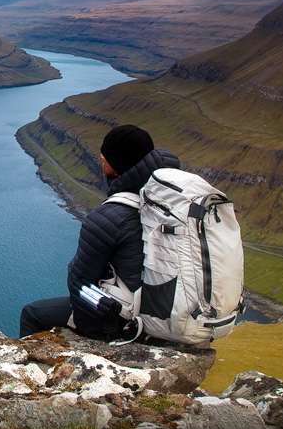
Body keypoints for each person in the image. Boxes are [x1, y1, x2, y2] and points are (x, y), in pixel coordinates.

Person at [19, 124, 180, 340]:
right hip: (174, 308)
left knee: (32, 314)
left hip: (129, 320)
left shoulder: (108, 217)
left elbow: (80, 286)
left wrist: (95, 333)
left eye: (103, 157)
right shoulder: (175, 199)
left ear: (109, 165)